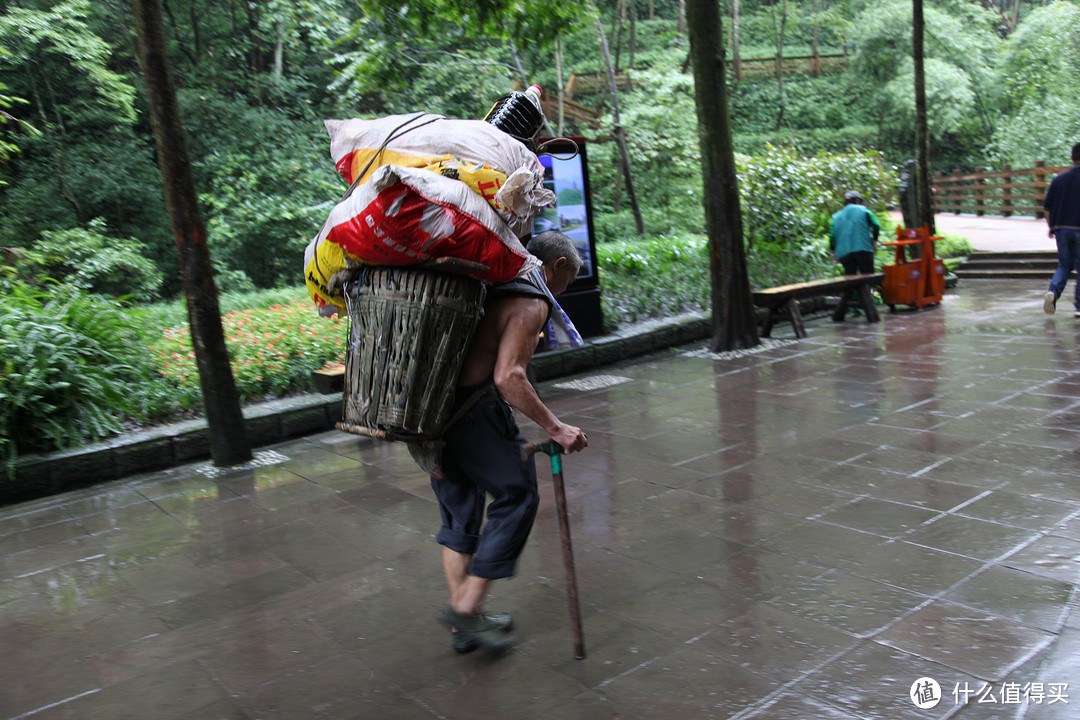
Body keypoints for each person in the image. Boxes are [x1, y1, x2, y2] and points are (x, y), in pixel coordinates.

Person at [433, 231, 588, 654]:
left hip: (433, 412)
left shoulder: (494, 285)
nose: (563, 292)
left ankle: (462, 627)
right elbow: (509, 377)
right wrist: (556, 427)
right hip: (474, 413)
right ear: (556, 266)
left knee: (460, 515)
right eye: (568, 281)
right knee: (518, 496)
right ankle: (464, 610)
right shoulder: (531, 300)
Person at [830, 190, 882, 317]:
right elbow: (876, 225)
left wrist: (833, 250)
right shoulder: (864, 211)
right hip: (863, 248)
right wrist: (874, 240)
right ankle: (869, 306)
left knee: (850, 279)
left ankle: (854, 309)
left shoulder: (836, 216)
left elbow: (832, 235)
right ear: (858, 201)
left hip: (845, 252)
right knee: (867, 278)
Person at [1042, 142, 1080, 315]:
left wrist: (1051, 227)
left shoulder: (1059, 179)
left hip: (1061, 229)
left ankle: (1053, 292)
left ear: (1072, 158)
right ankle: (1079, 306)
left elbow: (1047, 206)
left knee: (1064, 265)